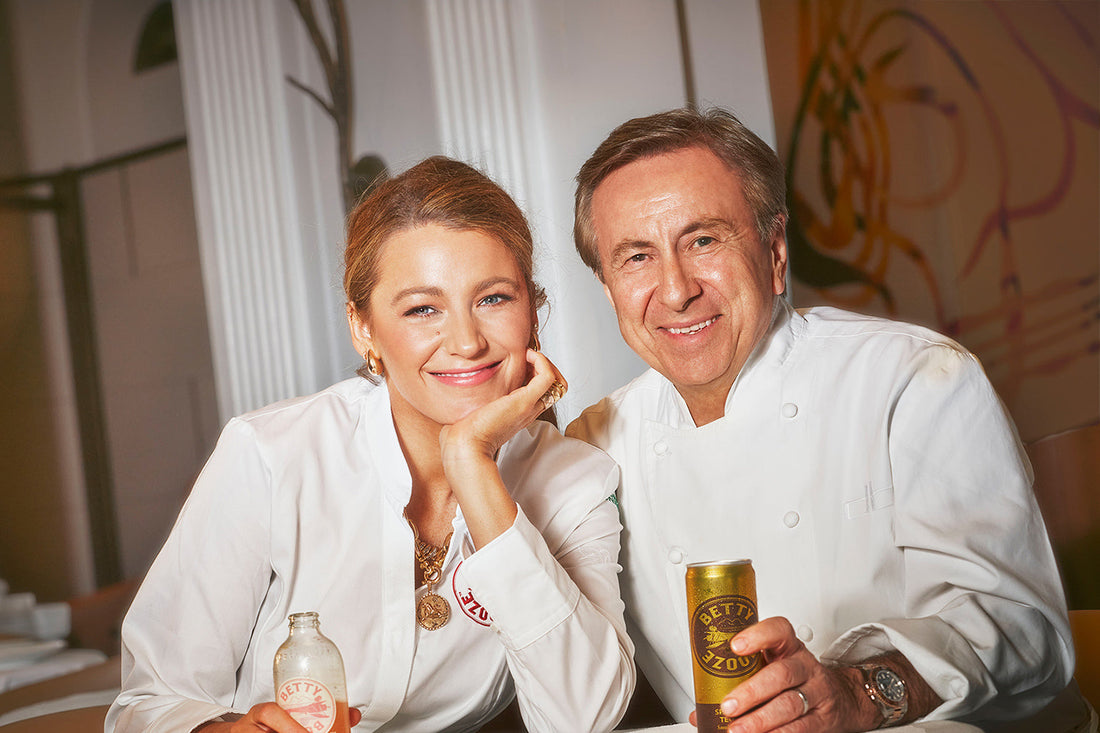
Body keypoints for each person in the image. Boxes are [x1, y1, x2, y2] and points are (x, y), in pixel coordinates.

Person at [566, 107, 1085, 731]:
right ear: (607, 288)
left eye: (704, 240)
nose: (676, 291)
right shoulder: (594, 445)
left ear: (776, 248)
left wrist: (857, 695)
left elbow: (1021, 629)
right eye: (636, 258)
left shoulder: (912, 377)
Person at [107, 156, 635, 733]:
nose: (465, 341)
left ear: (532, 310)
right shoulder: (271, 455)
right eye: (422, 309)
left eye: (494, 299)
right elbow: (148, 705)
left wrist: (473, 466)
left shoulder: (577, 482)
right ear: (364, 328)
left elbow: (584, 720)